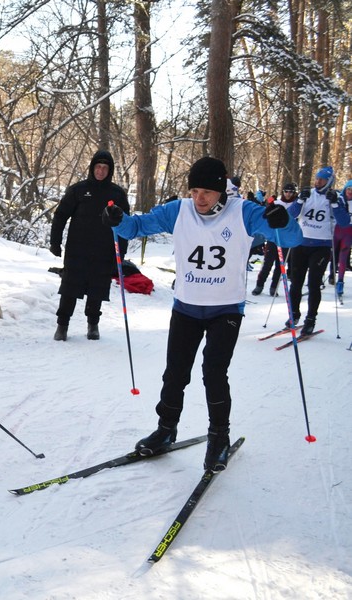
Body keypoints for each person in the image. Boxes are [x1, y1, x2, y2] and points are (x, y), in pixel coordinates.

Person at [102, 157, 303, 471]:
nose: (199, 198)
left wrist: (283, 221)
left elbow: (291, 239)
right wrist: (117, 219)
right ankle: (166, 430)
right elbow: (137, 226)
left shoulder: (244, 212)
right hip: (186, 306)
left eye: (207, 191)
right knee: (175, 373)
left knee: (213, 373)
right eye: (194, 190)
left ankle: (219, 438)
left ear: (221, 190)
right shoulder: (179, 210)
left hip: (226, 309)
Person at [49, 149, 130, 341]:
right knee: (69, 287)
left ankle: (93, 324)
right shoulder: (78, 190)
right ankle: (62, 325)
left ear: (109, 171)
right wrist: (55, 241)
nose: (100, 171)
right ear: (92, 168)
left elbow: (125, 224)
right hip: (77, 248)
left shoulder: (117, 194)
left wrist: (122, 252)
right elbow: (60, 216)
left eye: (104, 168)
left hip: (104, 250)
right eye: (97, 167)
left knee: (97, 288)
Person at [286, 167, 350, 334]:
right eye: (317, 179)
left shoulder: (337, 197)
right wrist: (299, 200)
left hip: (321, 246)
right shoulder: (308, 194)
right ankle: (294, 314)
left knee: (314, 284)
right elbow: (290, 215)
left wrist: (335, 203)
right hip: (301, 243)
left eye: (321, 180)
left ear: (329, 181)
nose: (317, 182)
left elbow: (344, 222)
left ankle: (310, 319)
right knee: (296, 282)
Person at [252, 183, 298, 296]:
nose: (288, 194)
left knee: (280, 265)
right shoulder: (277, 202)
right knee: (267, 263)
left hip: (286, 240)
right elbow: (265, 213)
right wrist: (268, 203)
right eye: (286, 191)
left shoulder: (296, 205)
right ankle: (259, 285)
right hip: (274, 237)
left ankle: (274, 287)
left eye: (290, 192)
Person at [332, 180, 352, 298]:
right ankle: (329, 276)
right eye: (349, 189)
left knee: (343, 257)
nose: (350, 192)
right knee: (331, 253)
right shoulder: (339, 199)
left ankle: (340, 281)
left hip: (348, 232)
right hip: (336, 230)